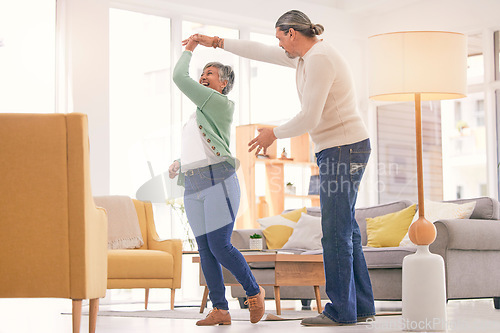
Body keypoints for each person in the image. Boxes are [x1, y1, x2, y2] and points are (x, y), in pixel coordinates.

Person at [188, 9, 376, 326]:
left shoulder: (319, 59)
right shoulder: (305, 57)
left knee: (334, 232)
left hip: (343, 148)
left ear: (292, 33)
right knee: (348, 231)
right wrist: (217, 42)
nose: (279, 46)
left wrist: (272, 132)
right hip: (341, 147)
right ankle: (362, 306)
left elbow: (310, 118)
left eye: (280, 38)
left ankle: (342, 310)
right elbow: (260, 52)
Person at [168, 37, 265, 326]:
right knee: (205, 248)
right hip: (194, 184)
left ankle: (254, 291)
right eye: (203, 73)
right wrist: (179, 162)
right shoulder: (198, 114)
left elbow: (178, 76)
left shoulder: (219, 103)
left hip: (219, 180)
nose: (202, 77)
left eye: (209, 74)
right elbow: (200, 147)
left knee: (220, 245)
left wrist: (191, 47)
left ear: (223, 83)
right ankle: (220, 309)